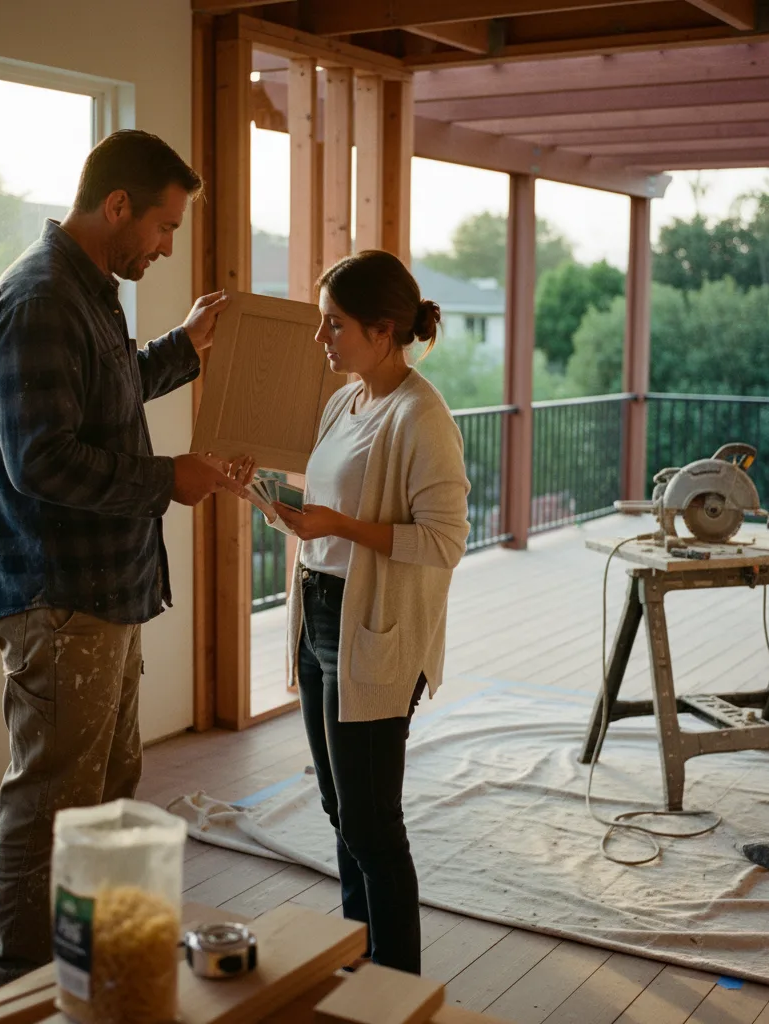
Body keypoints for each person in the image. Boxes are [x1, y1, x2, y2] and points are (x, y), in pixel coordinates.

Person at [0, 129, 253, 987]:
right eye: (164, 227)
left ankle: (86, 968)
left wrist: (184, 347)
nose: (168, 247)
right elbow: (43, 460)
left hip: (104, 591)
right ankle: (25, 985)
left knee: (103, 792)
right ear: (117, 204)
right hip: (60, 596)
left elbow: (109, 383)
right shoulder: (40, 298)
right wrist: (170, 477)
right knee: (56, 799)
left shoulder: (89, 292)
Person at [271, 250, 470, 974]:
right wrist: (278, 501)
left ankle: (397, 986)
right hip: (318, 617)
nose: (321, 338)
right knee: (338, 810)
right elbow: (332, 502)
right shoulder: (344, 399)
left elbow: (445, 540)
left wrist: (341, 528)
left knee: (372, 824)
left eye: (335, 325)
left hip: (372, 632)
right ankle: (362, 962)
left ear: (383, 332)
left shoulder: (421, 416)